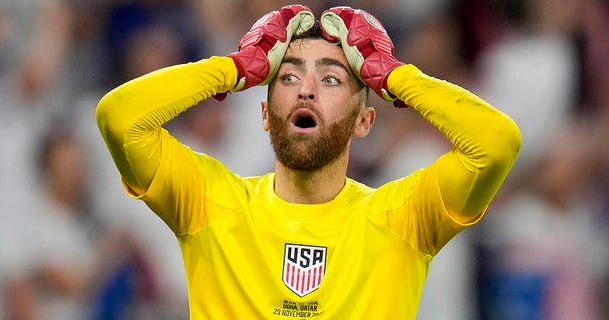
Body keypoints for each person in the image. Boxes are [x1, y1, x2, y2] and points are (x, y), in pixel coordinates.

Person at [96, 4, 521, 319]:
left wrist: (394, 76)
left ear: (364, 121)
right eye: (289, 76)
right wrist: (233, 68)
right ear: (264, 113)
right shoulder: (210, 202)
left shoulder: (402, 219)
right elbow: (119, 119)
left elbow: (496, 143)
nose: (306, 90)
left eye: (332, 78)